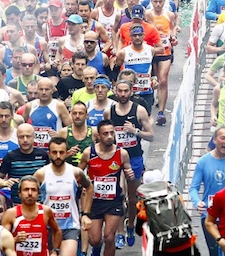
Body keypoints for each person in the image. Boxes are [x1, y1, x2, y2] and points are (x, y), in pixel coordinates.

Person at [103, 78, 153, 246]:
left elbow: (151, 135)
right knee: (118, 195)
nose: (123, 94)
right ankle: (120, 232)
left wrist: (135, 131)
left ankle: (130, 225)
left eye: (126, 91)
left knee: (132, 198)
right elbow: (103, 135)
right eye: (120, 91)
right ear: (115, 91)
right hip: (115, 158)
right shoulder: (109, 112)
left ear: (131, 92)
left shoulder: (139, 110)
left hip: (134, 158)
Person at [79, 120, 134, 256]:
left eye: (111, 133)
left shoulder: (122, 154)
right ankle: (97, 249)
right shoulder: (88, 153)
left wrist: (130, 175)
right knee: (95, 240)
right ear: (99, 136)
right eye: (105, 134)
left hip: (113, 200)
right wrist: (82, 185)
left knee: (109, 237)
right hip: (94, 202)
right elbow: (78, 174)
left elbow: (129, 175)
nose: (109, 136)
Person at [34, 137, 92, 256]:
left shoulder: (76, 172)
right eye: (54, 152)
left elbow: (89, 187)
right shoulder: (41, 174)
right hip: (48, 226)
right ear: (49, 153)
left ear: (67, 153)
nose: (58, 156)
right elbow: (30, 194)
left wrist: (86, 213)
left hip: (70, 226)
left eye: (61, 152)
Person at [189, 126, 225, 256]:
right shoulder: (203, 162)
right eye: (223, 138)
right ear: (215, 140)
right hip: (209, 215)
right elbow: (194, 188)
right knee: (214, 252)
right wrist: (197, 202)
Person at [1, 176, 62, 256]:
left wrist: (55, 251)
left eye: (33, 190)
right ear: (19, 193)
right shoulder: (11, 213)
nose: (30, 193)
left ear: (38, 193)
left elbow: (57, 230)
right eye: (26, 189)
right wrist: (15, 239)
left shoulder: (46, 211)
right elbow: (1, 241)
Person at [0, 123, 50, 205]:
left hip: (39, 205)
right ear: (17, 138)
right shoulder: (10, 156)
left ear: (34, 137)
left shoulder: (43, 155)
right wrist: (5, 183)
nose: (25, 140)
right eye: (21, 137)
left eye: (28, 136)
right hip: (17, 206)